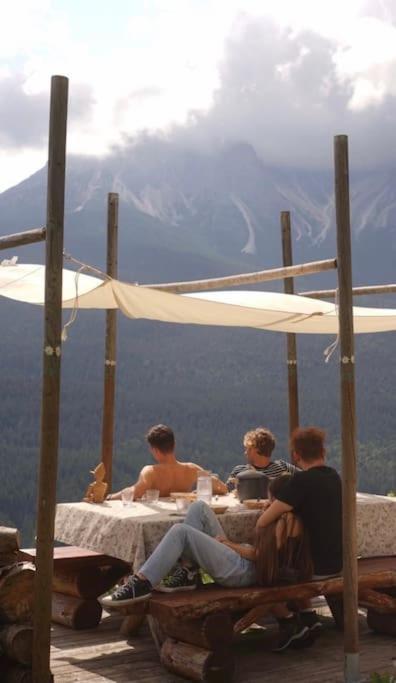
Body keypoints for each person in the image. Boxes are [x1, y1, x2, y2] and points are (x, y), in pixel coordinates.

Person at [100, 474, 313, 651]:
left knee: (181, 531)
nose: (267, 503)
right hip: (245, 563)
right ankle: (188, 570)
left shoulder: (287, 521)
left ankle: (141, 582)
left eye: (270, 499)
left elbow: (261, 557)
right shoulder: (286, 517)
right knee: (199, 508)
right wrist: (234, 544)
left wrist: (231, 545)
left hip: (245, 572)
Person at [256, 426, 342, 641]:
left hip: (314, 568)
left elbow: (262, 523)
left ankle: (287, 619)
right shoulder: (334, 476)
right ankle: (308, 616)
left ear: (296, 455)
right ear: (323, 451)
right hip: (337, 563)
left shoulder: (301, 481)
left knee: (271, 567)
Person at [107, 424, 227, 500]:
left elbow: (135, 492)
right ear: (174, 445)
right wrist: (198, 492)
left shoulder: (150, 472)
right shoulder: (191, 469)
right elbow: (222, 487)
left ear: (154, 450)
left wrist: (110, 496)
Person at [226, 427, 298, 492]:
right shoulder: (238, 471)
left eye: (248, 449)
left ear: (257, 450)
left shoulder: (284, 467)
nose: (245, 452)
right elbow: (226, 491)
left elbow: (305, 478)